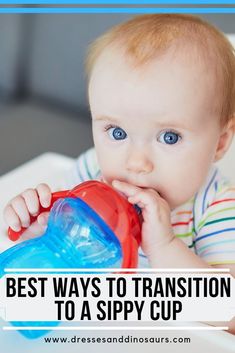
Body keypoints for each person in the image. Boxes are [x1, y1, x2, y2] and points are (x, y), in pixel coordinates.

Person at [3, 14, 235, 272]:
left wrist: (163, 246)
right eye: (117, 133)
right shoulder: (90, 173)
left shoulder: (216, 209)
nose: (136, 163)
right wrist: (39, 231)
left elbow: (225, 309)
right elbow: (67, 261)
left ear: (220, 143)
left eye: (169, 137)